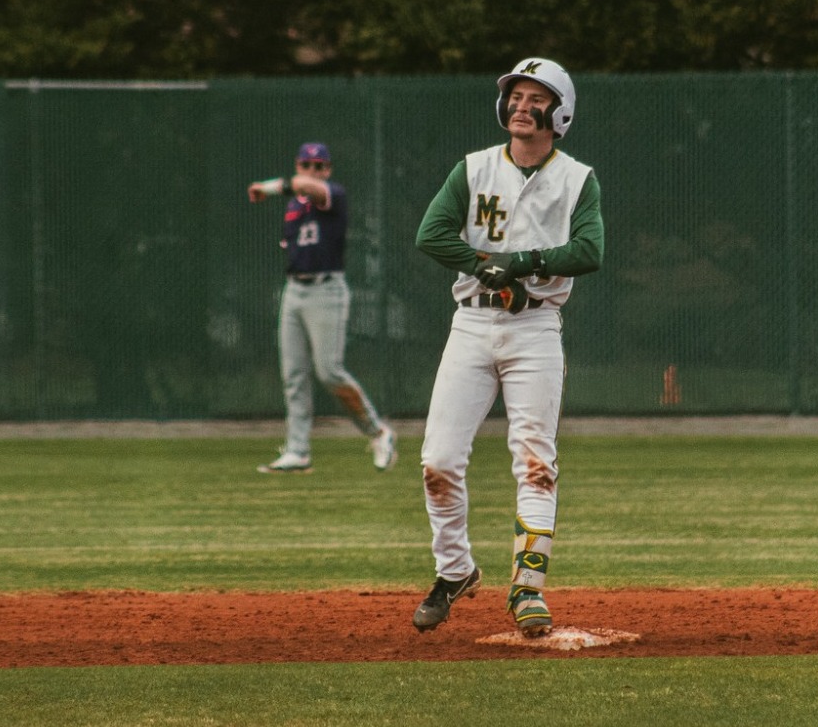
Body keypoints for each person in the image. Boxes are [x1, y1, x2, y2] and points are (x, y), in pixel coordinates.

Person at [411, 58, 604, 637]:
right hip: (471, 324)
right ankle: (455, 572)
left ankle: (527, 589)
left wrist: (519, 266)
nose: (521, 105)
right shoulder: (472, 168)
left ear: (559, 112)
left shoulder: (577, 178)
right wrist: (488, 270)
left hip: (536, 329)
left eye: (534, 97)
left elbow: (589, 250)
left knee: (536, 464)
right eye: (514, 96)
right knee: (438, 462)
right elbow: (432, 235)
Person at [246, 142, 397, 474]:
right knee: (294, 376)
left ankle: (378, 432)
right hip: (295, 290)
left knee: (329, 370)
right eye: (306, 164)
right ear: (299, 164)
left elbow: (304, 187)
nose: (312, 170)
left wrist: (267, 187)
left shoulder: (334, 195)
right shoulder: (293, 207)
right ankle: (298, 451)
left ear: (327, 170)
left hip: (326, 290)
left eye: (319, 166)